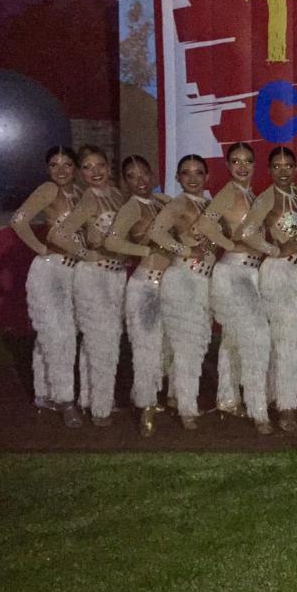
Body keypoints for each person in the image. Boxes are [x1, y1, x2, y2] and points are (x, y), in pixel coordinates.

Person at [196, 142, 273, 434]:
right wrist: (229, 244)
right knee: (257, 337)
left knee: (232, 339)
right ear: (228, 166)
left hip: (250, 271)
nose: (242, 166)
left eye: (248, 161)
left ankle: (228, 398)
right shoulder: (229, 192)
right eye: (236, 161)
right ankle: (257, 408)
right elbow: (205, 224)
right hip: (234, 271)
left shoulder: (249, 194)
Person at [49, 144, 126, 427]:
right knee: (101, 340)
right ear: (80, 173)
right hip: (94, 276)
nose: (95, 172)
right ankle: (101, 408)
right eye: (87, 167)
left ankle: (91, 398)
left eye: (99, 165)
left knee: (103, 340)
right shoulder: (89, 199)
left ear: (108, 165)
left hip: (116, 275)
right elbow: (59, 234)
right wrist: (85, 253)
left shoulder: (116, 194)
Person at [9, 146, 83, 427]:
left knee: (52, 335)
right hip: (50, 271)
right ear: (47, 169)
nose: (60, 170)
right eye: (54, 165)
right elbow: (18, 221)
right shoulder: (49, 189)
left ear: (75, 168)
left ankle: (44, 393)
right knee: (60, 335)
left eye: (66, 164)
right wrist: (42, 249)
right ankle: (66, 399)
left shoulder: (79, 194)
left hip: (73, 272)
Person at [104, 155, 173, 437]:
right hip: (145, 285)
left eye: (143, 173)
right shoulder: (131, 207)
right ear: (125, 182)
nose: (140, 180)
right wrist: (145, 251)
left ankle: (154, 397)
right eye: (132, 176)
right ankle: (145, 406)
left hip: (169, 285)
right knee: (146, 349)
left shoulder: (160, 202)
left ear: (152, 174)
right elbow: (112, 240)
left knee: (165, 346)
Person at [148, 155, 216, 430]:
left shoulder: (209, 205)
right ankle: (187, 407)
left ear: (207, 176)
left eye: (198, 172)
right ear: (177, 177)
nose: (192, 178)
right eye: (186, 173)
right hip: (184, 278)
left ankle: (177, 395)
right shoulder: (178, 204)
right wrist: (185, 249)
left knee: (195, 343)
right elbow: (156, 232)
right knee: (188, 344)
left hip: (203, 280)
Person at [241, 146, 297, 432]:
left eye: (288, 165)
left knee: (289, 340)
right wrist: (275, 249)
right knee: (282, 341)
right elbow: (246, 232)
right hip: (278, 273)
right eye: (277, 166)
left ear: (296, 168)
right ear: (269, 170)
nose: (283, 171)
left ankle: (279, 399)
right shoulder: (267, 197)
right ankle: (281, 405)